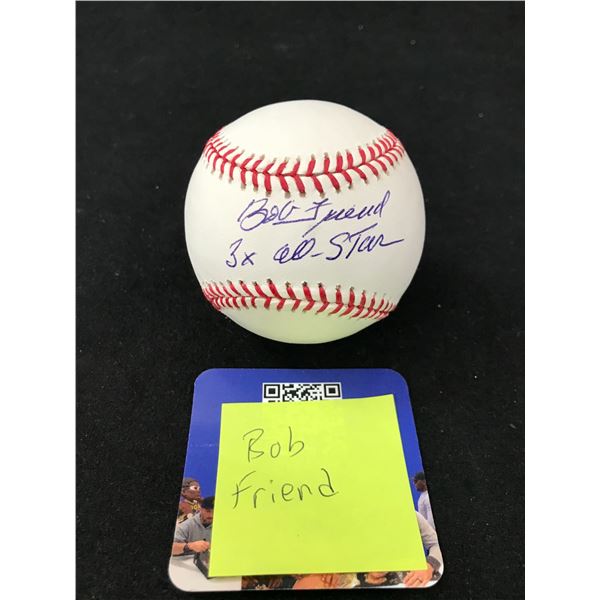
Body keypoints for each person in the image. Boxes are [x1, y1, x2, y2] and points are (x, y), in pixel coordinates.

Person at [358, 511, 443, 588]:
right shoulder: (358, 517)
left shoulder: (412, 515)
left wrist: (430, 565)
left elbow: (436, 544)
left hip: (409, 581)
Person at [172, 496, 214, 561]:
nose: (211, 515)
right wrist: (190, 546)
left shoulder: (222, 525)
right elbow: (172, 549)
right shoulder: (186, 525)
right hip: (187, 561)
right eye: (208, 511)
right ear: (201, 509)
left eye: (215, 511)